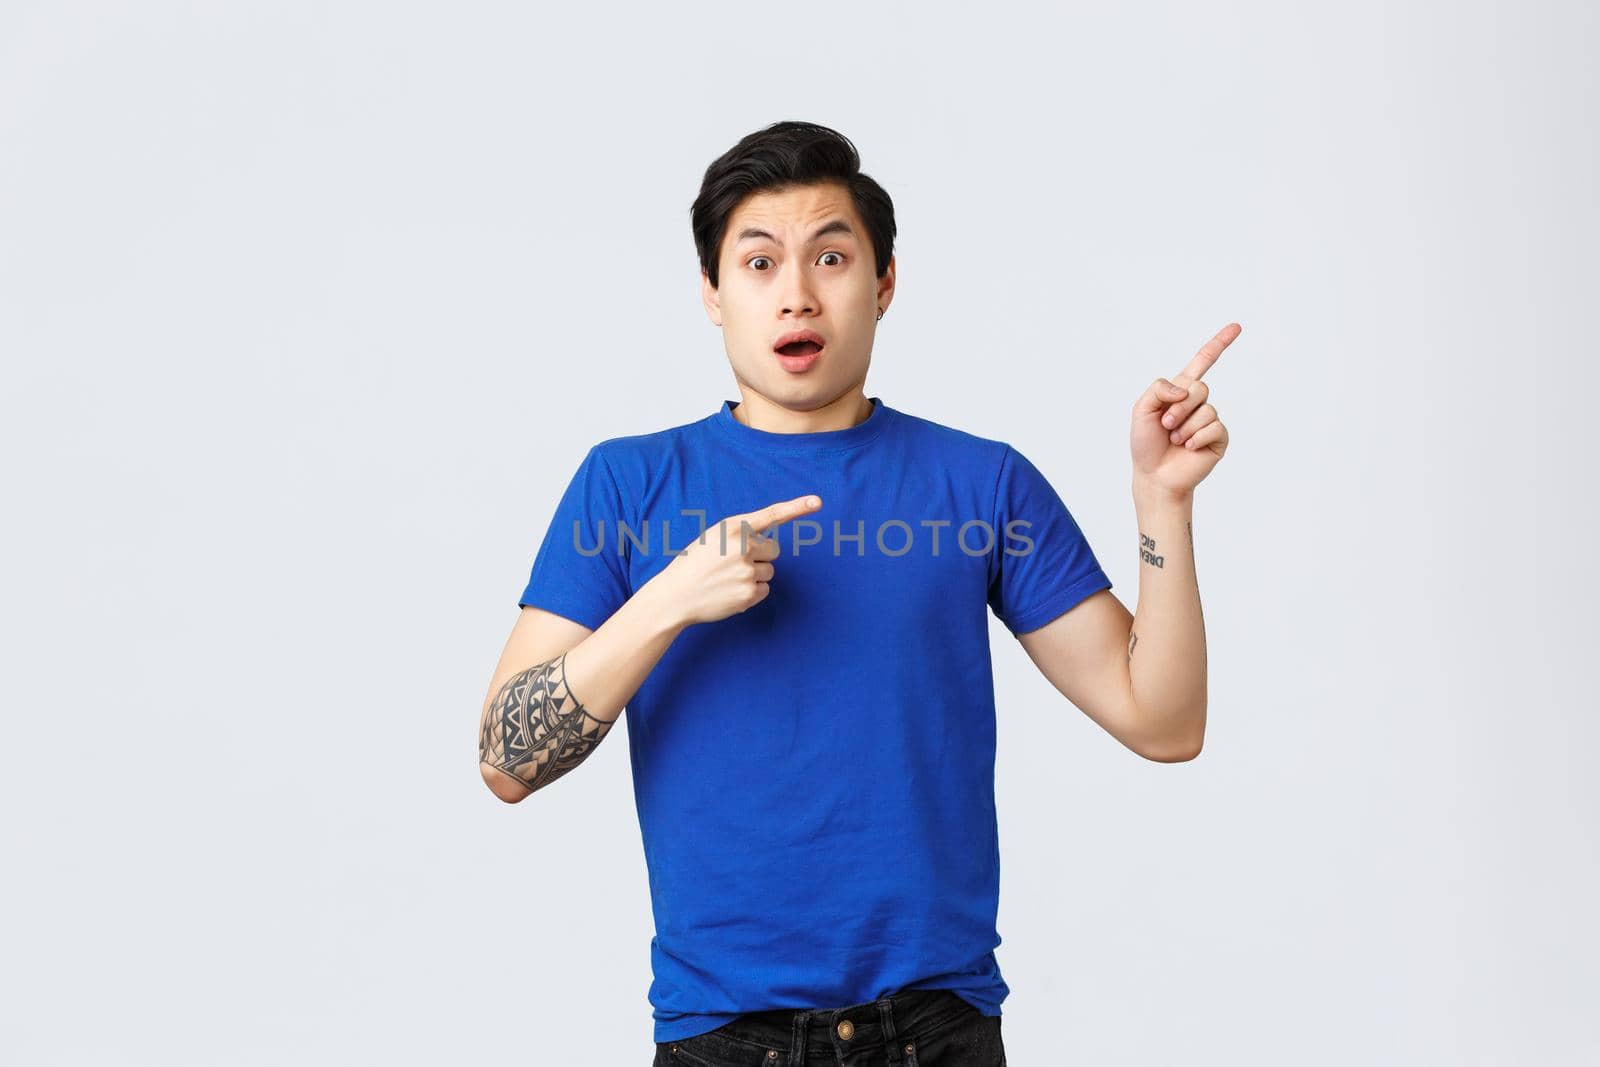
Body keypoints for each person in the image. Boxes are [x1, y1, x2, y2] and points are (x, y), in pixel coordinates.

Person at [477, 120, 1232, 1067]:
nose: (796, 293)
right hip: (722, 1038)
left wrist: (1161, 502)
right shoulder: (627, 484)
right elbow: (507, 758)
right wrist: (667, 598)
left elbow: (1164, 722)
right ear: (712, 293)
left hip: (936, 1032)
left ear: (882, 285)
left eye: (831, 257)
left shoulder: (980, 483)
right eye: (758, 263)